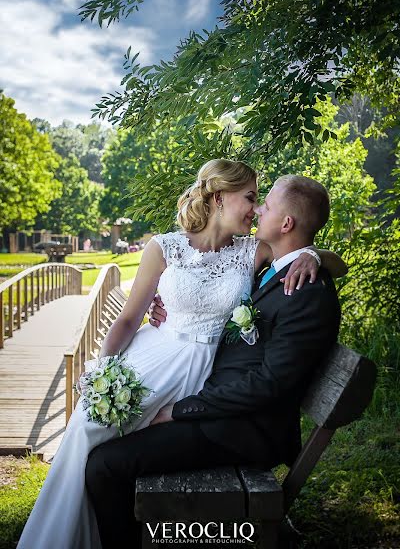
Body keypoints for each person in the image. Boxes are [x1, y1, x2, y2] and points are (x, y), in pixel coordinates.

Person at [17, 160, 345, 549]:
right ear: (219, 198)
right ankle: (61, 534)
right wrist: (102, 367)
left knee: (109, 459)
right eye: (252, 198)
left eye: (262, 202)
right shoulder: (174, 247)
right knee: (87, 432)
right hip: (158, 359)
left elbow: (307, 247)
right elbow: (129, 318)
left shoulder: (260, 254)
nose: (257, 209)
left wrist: (315, 256)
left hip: (206, 386)